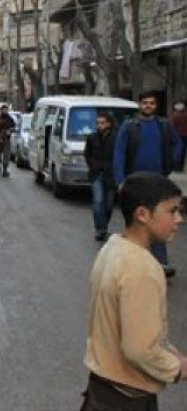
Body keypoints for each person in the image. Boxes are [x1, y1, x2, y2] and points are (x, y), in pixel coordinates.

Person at [81, 172, 187, 411]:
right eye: (172, 211)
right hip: (126, 399)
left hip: (102, 389)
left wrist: (168, 350)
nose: (179, 219)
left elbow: (128, 324)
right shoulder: (143, 269)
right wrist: (176, 368)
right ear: (142, 214)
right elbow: (140, 350)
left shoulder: (114, 247)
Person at [113, 91, 184, 277]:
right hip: (135, 182)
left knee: (157, 219)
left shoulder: (164, 126)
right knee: (136, 221)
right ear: (139, 105)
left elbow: (178, 144)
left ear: (156, 106)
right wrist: (120, 180)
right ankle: (132, 260)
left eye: (152, 103)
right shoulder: (129, 127)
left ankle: (160, 261)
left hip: (158, 181)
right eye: (145, 103)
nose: (148, 106)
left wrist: (171, 162)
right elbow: (119, 153)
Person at [83, 112, 117, 242]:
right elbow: (87, 154)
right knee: (98, 201)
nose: (99, 126)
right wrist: (92, 166)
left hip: (111, 175)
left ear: (109, 124)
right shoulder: (92, 138)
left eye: (102, 123)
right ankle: (100, 229)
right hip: (97, 174)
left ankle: (104, 224)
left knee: (109, 204)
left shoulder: (116, 138)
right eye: (97, 123)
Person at [0, 104, 16, 178]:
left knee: (6, 155)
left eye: (6, 110)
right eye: (4, 110)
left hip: (6, 139)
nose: (5, 111)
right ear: (1, 110)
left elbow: (14, 127)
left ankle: (5, 170)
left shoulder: (10, 119)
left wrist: (10, 131)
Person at [171, 100, 187, 172]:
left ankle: (176, 167)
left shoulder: (175, 115)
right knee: (183, 152)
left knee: (177, 151)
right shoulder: (185, 115)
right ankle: (180, 167)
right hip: (184, 135)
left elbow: (173, 126)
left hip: (177, 135)